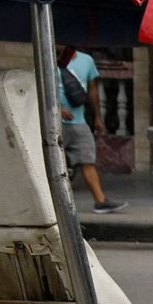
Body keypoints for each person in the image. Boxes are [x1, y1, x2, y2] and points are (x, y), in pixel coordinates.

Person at [58, 47, 121, 211]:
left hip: (79, 121)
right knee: (47, 164)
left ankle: (100, 201)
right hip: (54, 123)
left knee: (88, 160)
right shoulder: (47, 59)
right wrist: (56, 109)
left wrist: (98, 117)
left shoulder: (87, 61)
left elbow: (93, 90)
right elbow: (38, 90)